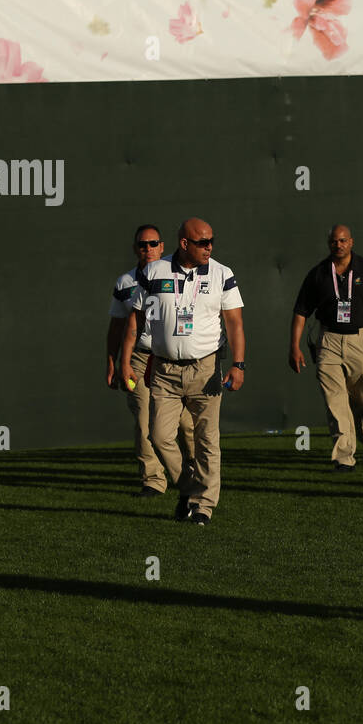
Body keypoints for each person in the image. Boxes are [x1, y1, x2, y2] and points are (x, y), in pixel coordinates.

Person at [121, 218, 245, 526]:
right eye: (203, 242)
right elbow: (134, 322)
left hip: (205, 368)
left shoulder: (221, 274)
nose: (209, 247)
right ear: (184, 244)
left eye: (211, 241)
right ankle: (190, 489)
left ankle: (203, 506)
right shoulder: (154, 271)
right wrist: (124, 362)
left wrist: (238, 364)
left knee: (206, 440)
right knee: (160, 435)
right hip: (163, 369)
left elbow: (235, 324)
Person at [289, 225, 363, 472]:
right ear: (329, 244)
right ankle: (344, 457)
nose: (338, 245)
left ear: (351, 242)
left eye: (343, 241)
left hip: (361, 340)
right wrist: (294, 346)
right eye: (334, 242)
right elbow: (301, 312)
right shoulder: (318, 274)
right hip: (328, 341)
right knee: (335, 402)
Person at [106, 224, 195, 497]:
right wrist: (113, 363)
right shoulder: (126, 282)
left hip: (171, 358)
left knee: (187, 424)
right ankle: (154, 480)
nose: (148, 249)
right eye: (142, 245)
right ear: (136, 249)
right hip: (140, 358)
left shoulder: (179, 275)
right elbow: (117, 327)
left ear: (163, 246)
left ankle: (195, 472)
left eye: (153, 243)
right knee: (145, 421)